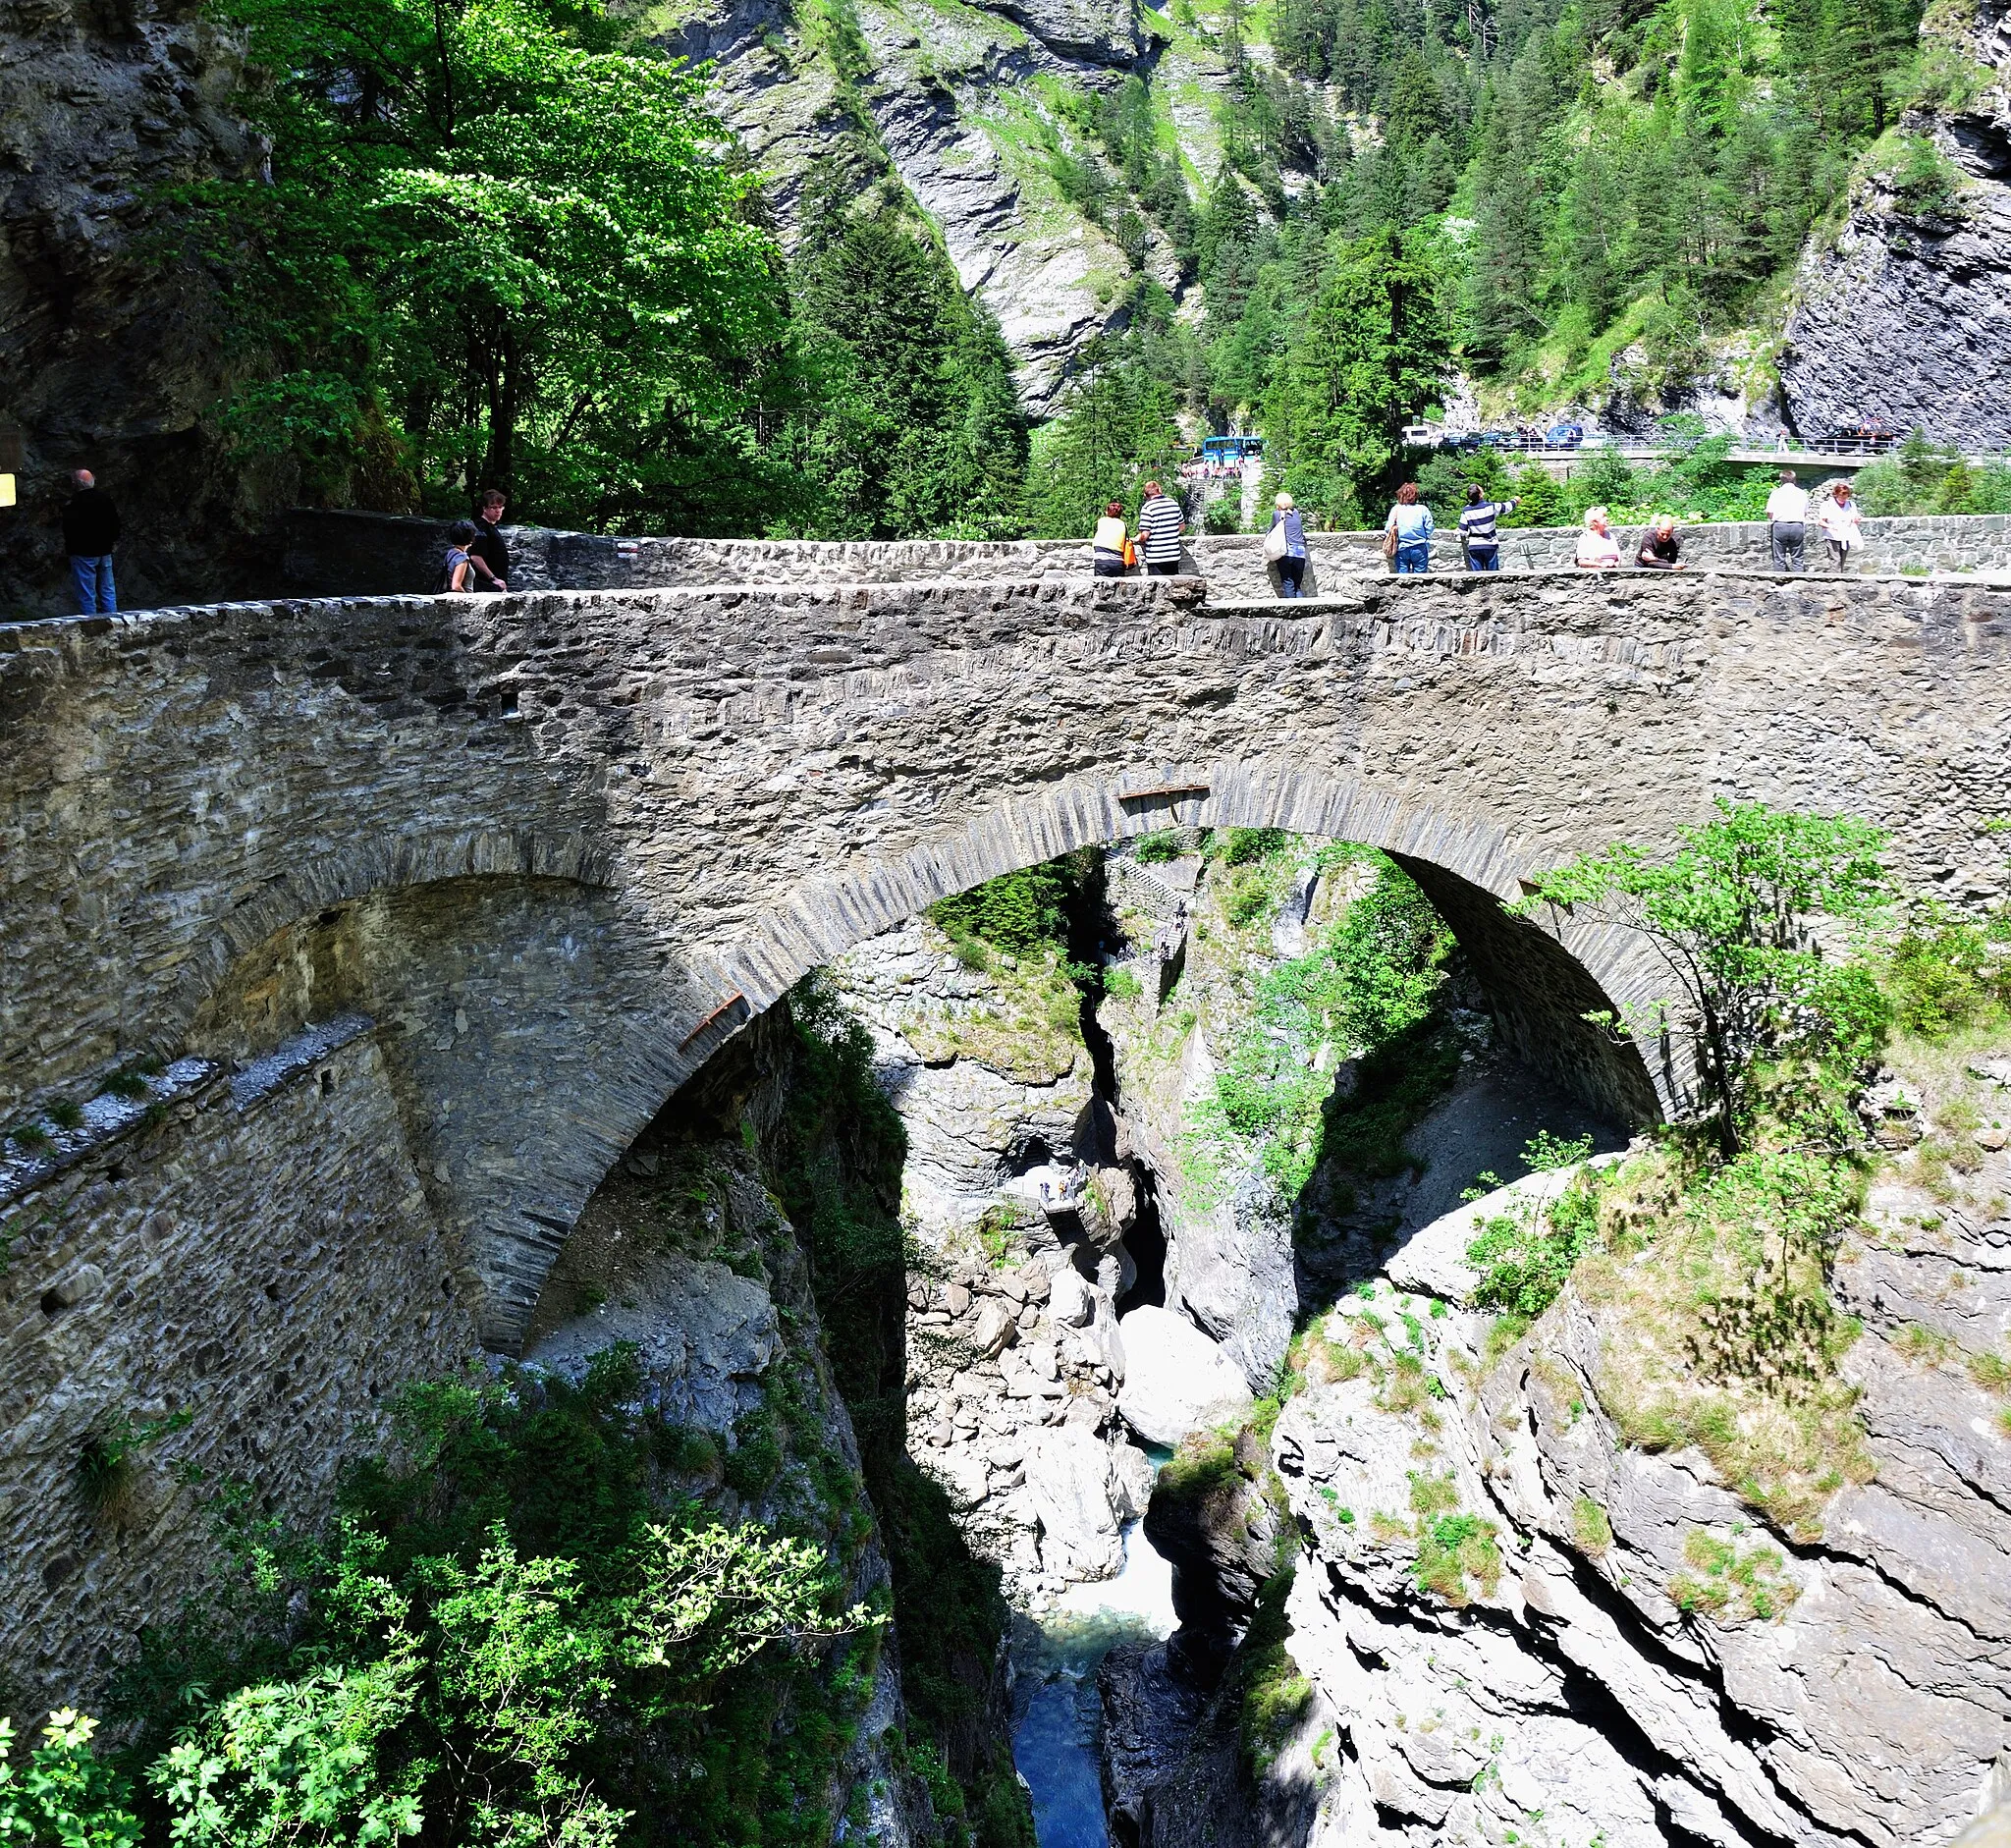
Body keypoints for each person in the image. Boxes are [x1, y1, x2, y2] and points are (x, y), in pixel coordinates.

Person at [62, 468, 120, 614]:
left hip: (83, 552)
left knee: (87, 593)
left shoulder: (74, 504)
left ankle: (91, 622)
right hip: (105, 550)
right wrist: (112, 542)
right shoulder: (105, 499)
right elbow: (115, 523)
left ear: (75, 483)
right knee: (108, 589)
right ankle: (113, 618)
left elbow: (68, 529)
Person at [1457, 483, 1518, 571]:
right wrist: (1515, 500)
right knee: (1493, 577)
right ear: (1480, 494)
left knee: (1477, 577)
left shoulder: (1466, 510)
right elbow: (1507, 507)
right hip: (1490, 545)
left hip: (1474, 545)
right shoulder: (1491, 507)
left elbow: (1462, 531)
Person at [1136, 480, 1185, 576]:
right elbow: (1182, 526)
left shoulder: (1148, 508)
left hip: (1156, 556)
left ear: (1145, 495)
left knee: (1157, 589)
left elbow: (1145, 534)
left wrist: (1139, 538)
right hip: (1173, 554)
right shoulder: (1173, 504)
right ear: (1159, 490)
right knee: (1173, 587)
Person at [1267, 491, 1310, 597]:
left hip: (1286, 552)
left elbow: (1270, 532)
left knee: (1288, 583)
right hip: (1300, 553)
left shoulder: (1277, 514)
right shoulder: (1296, 513)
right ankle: (1301, 610)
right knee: (1297, 585)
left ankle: (1292, 611)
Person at [1385, 483, 1434, 573]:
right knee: (1421, 578)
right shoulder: (1423, 509)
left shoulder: (1396, 509)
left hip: (1401, 547)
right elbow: (1429, 528)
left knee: (1402, 578)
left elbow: (1388, 528)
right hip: (1419, 547)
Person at [1815, 479, 1863, 571]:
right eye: (1842, 495)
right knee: (1836, 560)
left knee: (1842, 561)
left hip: (1846, 535)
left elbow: (1854, 518)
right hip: (1832, 536)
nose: (1844, 498)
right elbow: (1821, 522)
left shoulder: (1851, 504)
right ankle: (1835, 580)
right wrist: (1832, 527)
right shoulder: (1827, 505)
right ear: (1836, 494)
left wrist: (1856, 519)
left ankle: (1840, 578)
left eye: (1846, 496)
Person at [1766, 469, 1808, 571]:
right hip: (1797, 525)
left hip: (1780, 525)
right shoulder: (1802, 493)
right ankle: (1799, 580)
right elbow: (1805, 512)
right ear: (1794, 480)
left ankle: (1780, 581)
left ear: (1781, 480)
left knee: (1779, 556)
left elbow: (1769, 513)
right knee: (1798, 556)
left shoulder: (1776, 493)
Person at [468, 488, 510, 591]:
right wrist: (493, 578)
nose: (498, 511)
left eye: (500, 507)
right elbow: (475, 557)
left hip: (494, 584)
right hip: (486, 585)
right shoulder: (481, 527)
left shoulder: (489, 527)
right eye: (494, 507)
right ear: (485, 508)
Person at [1575, 505, 1622, 570]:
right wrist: (1600, 565)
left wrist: (1615, 565)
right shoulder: (1585, 537)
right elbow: (1582, 561)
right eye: (1603, 517)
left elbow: (1618, 558)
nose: (1607, 519)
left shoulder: (1610, 536)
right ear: (1594, 522)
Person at [1092, 499, 1130, 577]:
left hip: (1101, 561)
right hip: (1117, 562)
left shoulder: (1101, 521)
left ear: (1107, 511)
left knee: (1101, 588)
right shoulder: (1123, 524)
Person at [441, 520, 480, 592]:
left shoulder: (451, 553)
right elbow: (456, 586)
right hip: (462, 600)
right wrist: (468, 599)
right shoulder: (462, 558)